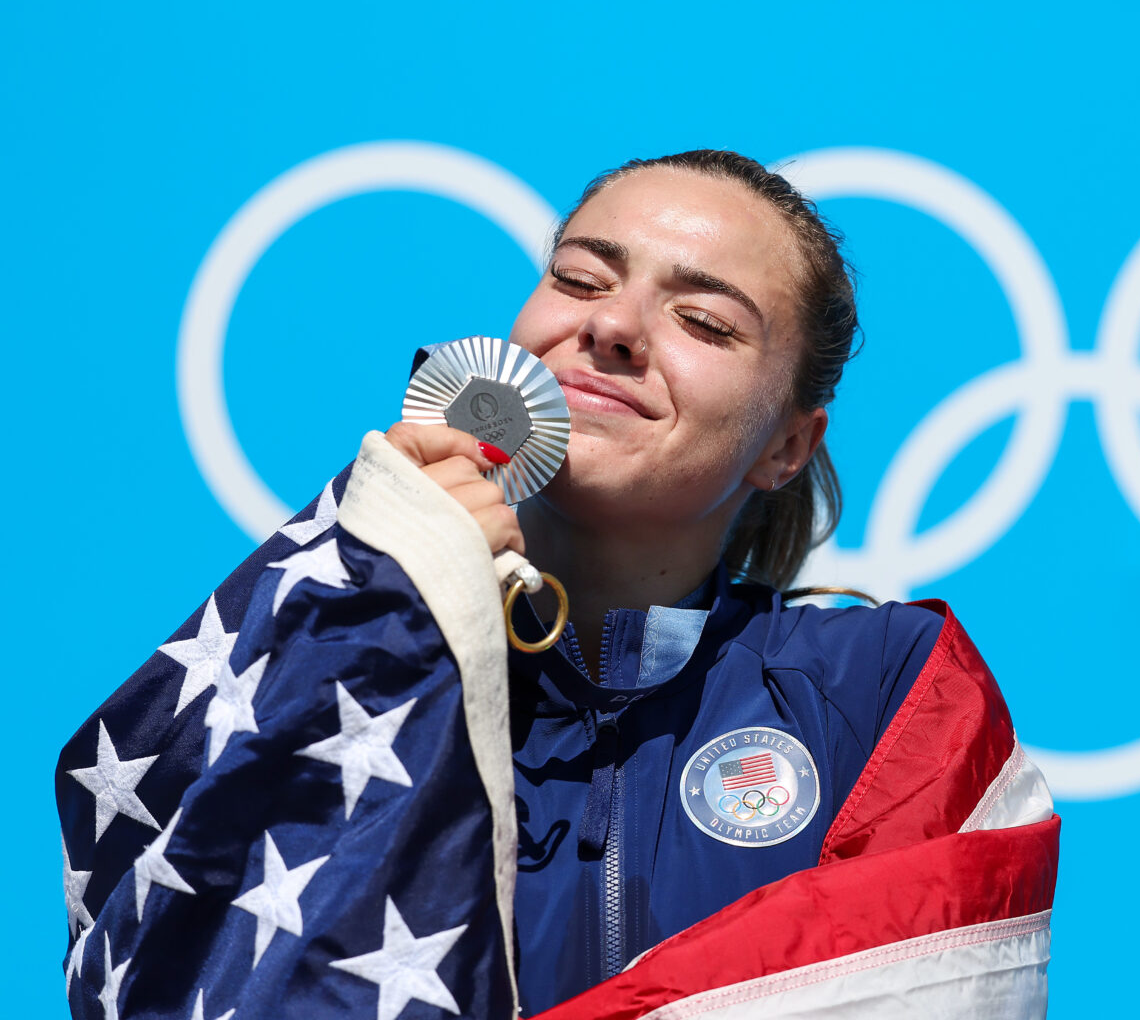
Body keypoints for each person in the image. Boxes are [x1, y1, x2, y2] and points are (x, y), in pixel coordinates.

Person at [57, 150, 1059, 1020]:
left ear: (788, 446)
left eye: (705, 322)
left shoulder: (879, 690)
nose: (615, 326)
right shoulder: (328, 633)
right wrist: (390, 598)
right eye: (580, 280)